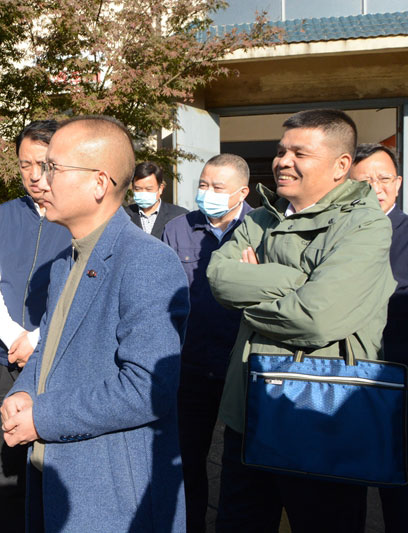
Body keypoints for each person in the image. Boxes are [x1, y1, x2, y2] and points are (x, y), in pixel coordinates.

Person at [207, 109, 396, 532]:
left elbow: (315, 318)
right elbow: (219, 278)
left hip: (320, 413)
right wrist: (298, 281)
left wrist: (255, 288)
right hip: (247, 412)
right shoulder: (261, 217)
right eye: (280, 151)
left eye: (299, 153)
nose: (283, 162)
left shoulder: (364, 225)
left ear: (341, 165)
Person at [1, 116, 189, 532]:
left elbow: (147, 388)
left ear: (99, 183)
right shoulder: (64, 263)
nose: (39, 179)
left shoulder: (146, 261)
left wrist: (42, 416)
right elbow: (51, 347)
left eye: (53, 167)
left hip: (109, 496)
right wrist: (24, 389)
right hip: (52, 478)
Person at [0, 120, 70, 532]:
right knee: (9, 468)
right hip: (6, 358)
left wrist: (38, 339)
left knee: (56, 468)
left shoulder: (78, 216)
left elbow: (79, 293)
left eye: (43, 164)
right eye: (24, 164)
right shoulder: (5, 214)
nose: (33, 174)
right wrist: (16, 337)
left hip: (58, 364)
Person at [161, 153, 251, 532]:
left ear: (242, 193)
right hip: (191, 365)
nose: (207, 193)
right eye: (202, 184)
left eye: (218, 187)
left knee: (241, 463)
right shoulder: (177, 228)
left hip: (241, 366)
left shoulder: (261, 229)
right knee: (186, 458)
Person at [348, 143, 408, 533]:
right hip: (342, 387)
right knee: (340, 497)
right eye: (365, 180)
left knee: (403, 504)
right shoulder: (337, 236)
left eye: (384, 178)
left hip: (401, 393)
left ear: (398, 183)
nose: (376, 187)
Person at [124, 161, 187, 238]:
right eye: (138, 189)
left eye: (149, 189)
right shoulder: (124, 215)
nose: (143, 193)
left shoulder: (179, 216)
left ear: (160, 189)